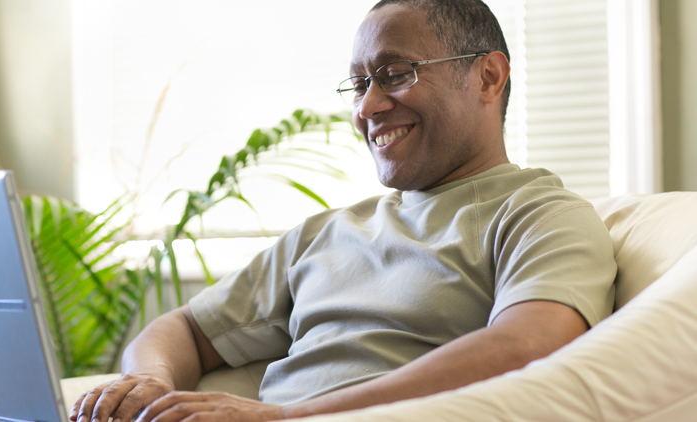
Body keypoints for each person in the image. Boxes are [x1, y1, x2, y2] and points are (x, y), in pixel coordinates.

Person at [71, 1, 617, 421]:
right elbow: (185, 329)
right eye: (359, 83)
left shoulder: (539, 214)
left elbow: (528, 346)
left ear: (489, 78)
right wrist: (149, 385)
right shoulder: (326, 233)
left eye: (396, 73)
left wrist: (285, 417)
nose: (367, 107)